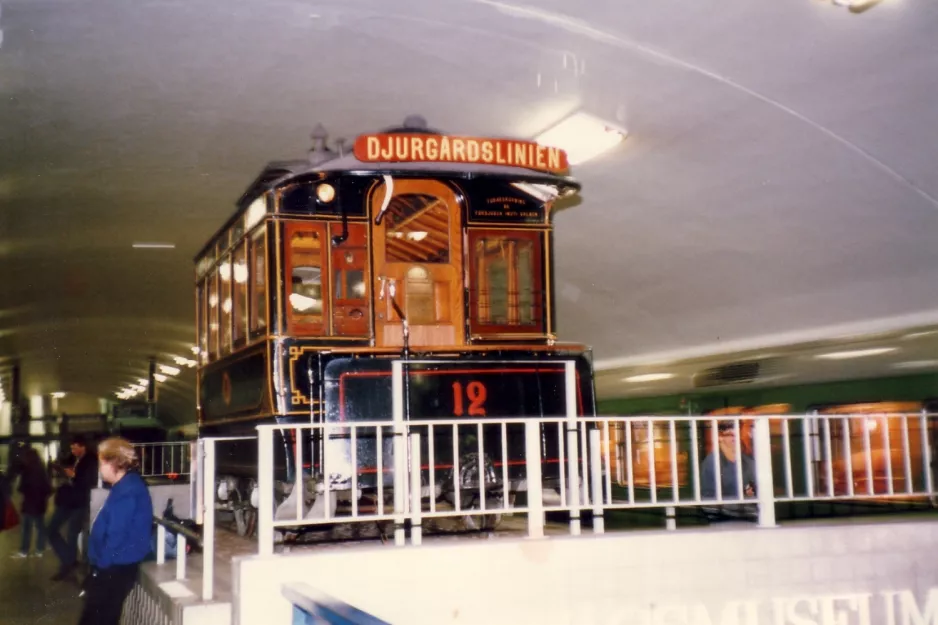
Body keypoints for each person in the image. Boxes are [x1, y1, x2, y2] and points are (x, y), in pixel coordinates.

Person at [78, 437, 153, 625]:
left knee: (98, 619)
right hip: (113, 566)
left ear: (114, 463)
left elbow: (116, 535)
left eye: (101, 463)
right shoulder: (125, 486)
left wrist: (100, 568)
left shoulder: (127, 490)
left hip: (114, 568)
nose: (99, 468)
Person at [48, 434, 99, 581]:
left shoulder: (90, 460)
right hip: (71, 500)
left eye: (74, 447)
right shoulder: (79, 459)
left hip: (79, 502)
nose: (73, 450)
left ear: (82, 446)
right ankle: (69, 561)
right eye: (71, 448)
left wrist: (72, 475)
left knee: (71, 533)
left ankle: (68, 563)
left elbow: (86, 481)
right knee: (54, 530)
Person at [699, 421, 757, 521]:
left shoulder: (748, 461)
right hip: (724, 521)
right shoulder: (711, 463)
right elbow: (708, 501)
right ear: (719, 437)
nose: (735, 437)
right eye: (730, 434)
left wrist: (751, 493)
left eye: (737, 433)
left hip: (748, 520)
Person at [12, 446, 52, 558]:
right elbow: (48, 488)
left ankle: (24, 551)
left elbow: (21, 488)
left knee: (26, 528)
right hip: (39, 504)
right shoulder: (41, 469)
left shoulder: (27, 470)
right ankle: (40, 549)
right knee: (40, 526)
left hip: (29, 504)